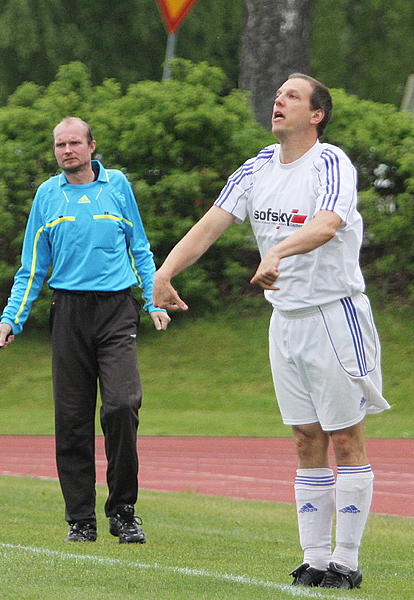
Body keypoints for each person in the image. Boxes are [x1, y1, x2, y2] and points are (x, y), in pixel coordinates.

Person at [152, 74, 389, 589]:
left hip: (334, 314)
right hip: (285, 322)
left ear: (316, 114)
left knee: (346, 439)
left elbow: (327, 224)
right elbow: (212, 222)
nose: (278, 101)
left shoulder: (331, 163)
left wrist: (277, 250)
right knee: (306, 438)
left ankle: (347, 561)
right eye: (278, 95)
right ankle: (315, 559)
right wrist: (164, 272)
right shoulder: (258, 165)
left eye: (292, 97)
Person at [0, 117, 170, 544]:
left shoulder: (118, 186)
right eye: (59, 145)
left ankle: (124, 511)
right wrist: (11, 318)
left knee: (122, 406)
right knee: (72, 420)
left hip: (117, 309)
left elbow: (140, 249)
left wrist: (153, 301)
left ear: (92, 146)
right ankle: (80, 519)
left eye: (74, 143)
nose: (67, 150)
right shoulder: (47, 196)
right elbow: (32, 266)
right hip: (68, 311)